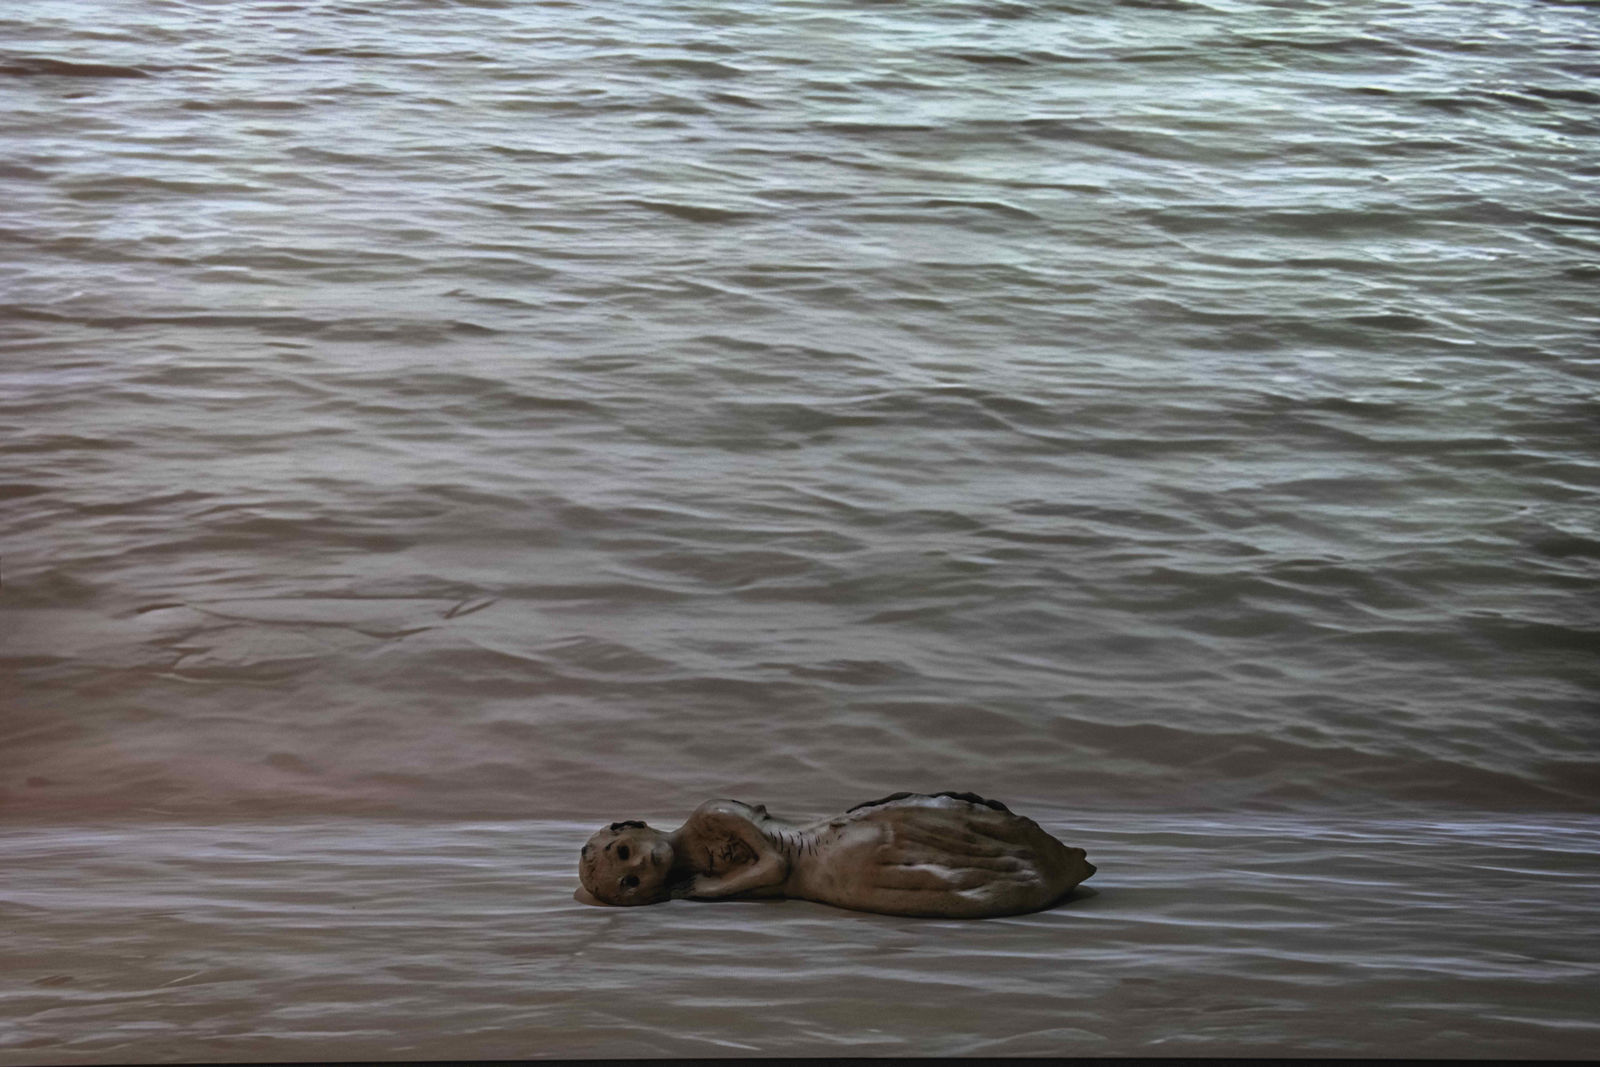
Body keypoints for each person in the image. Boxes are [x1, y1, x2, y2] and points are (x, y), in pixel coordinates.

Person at [575, 791, 1095, 918]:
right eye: (628, 884)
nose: (638, 868)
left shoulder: (712, 815)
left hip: (830, 853)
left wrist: (713, 889)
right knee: (936, 892)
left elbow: (776, 867)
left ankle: (1049, 868)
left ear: (635, 827)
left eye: (625, 853)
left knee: (952, 870)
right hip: (825, 888)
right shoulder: (680, 878)